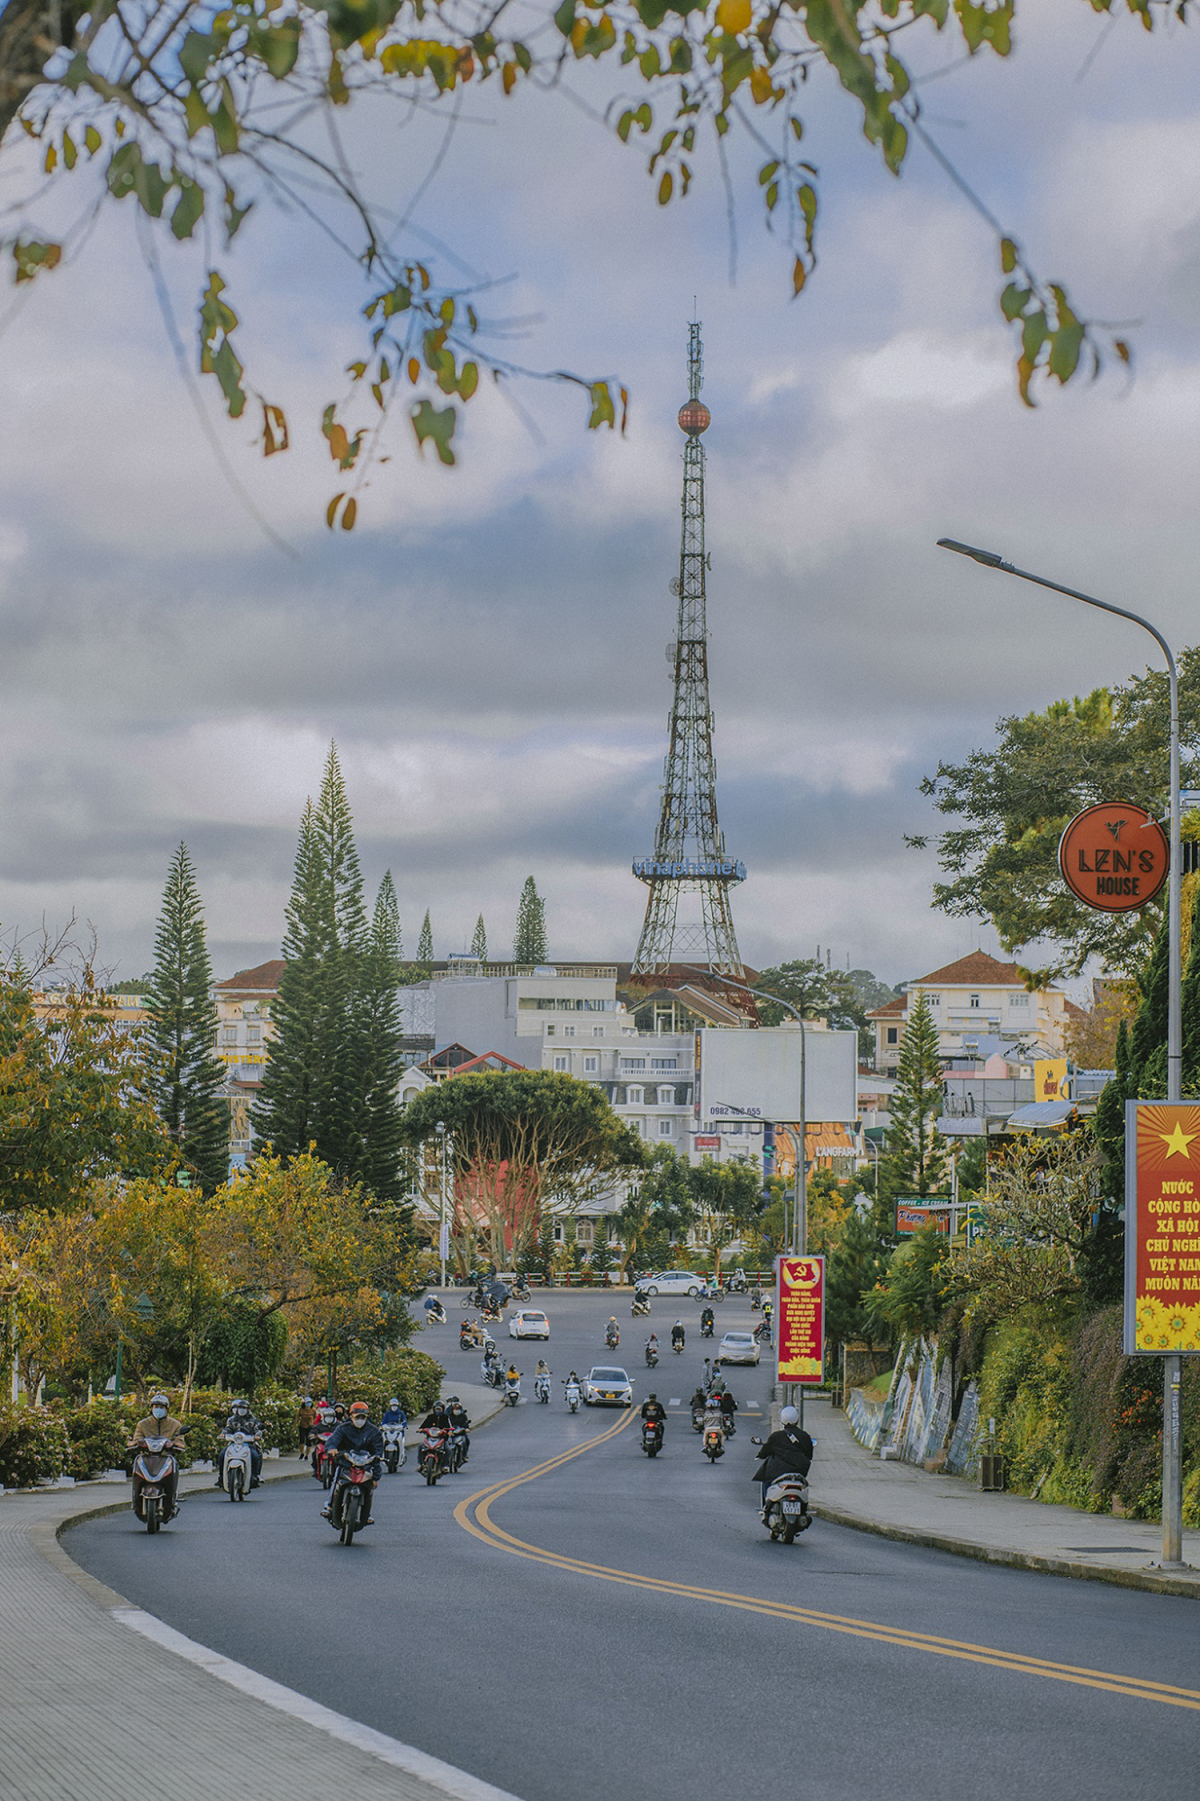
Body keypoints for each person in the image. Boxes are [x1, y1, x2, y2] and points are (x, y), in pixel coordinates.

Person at [321, 1400, 385, 1525]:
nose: (360, 1419)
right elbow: (332, 1441)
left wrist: (376, 1476)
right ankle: (328, 1504)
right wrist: (332, 1449)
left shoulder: (374, 1431)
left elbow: (378, 1452)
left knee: (370, 1486)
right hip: (346, 1463)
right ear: (351, 1416)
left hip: (366, 1464)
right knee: (336, 1478)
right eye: (357, 1417)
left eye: (363, 1417)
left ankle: (367, 1513)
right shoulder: (343, 1428)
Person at [129, 1393, 185, 1520]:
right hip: (146, 1456)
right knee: (137, 1466)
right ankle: (136, 1500)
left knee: (174, 1465)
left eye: (161, 1407)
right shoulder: (143, 1424)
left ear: (167, 1409)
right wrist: (135, 1443)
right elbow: (137, 1438)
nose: (158, 1409)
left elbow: (180, 1440)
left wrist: (176, 1444)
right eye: (156, 1406)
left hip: (166, 1457)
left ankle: (171, 1500)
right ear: (151, 1408)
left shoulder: (175, 1424)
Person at [753, 1405, 813, 1510]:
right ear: (797, 1419)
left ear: (782, 1420)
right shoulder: (805, 1436)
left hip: (778, 1473)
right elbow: (809, 1455)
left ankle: (766, 1506)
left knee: (766, 1481)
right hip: (800, 1472)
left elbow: (765, 1451)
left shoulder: (776, 1436)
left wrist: (760, 1455)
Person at [215, 1398, 263, 1489]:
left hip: (248, 1445)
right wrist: (223, 1434)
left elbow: (258, 1430)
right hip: (234, 1444)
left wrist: (257, 1436)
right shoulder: (232, 1420)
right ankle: (221, 1477)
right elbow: (227, 1428)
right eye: (240, 1408)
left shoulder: (253, 1420)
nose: (241, 1410)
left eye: (244, 1408)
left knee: (255, 1456)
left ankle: (254, 1476)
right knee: (222, 1455)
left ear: (248, 1409)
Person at [447, 1395, 471, 1462]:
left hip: (461, 1432)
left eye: (458, 1409)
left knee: (466, 1441)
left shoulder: (463, 1416)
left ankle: (464, 1455)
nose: (456, 1410)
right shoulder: (450, 1416)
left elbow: (466, 1424)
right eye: (455, 1409)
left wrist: (467, 1429)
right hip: (452, 1432)